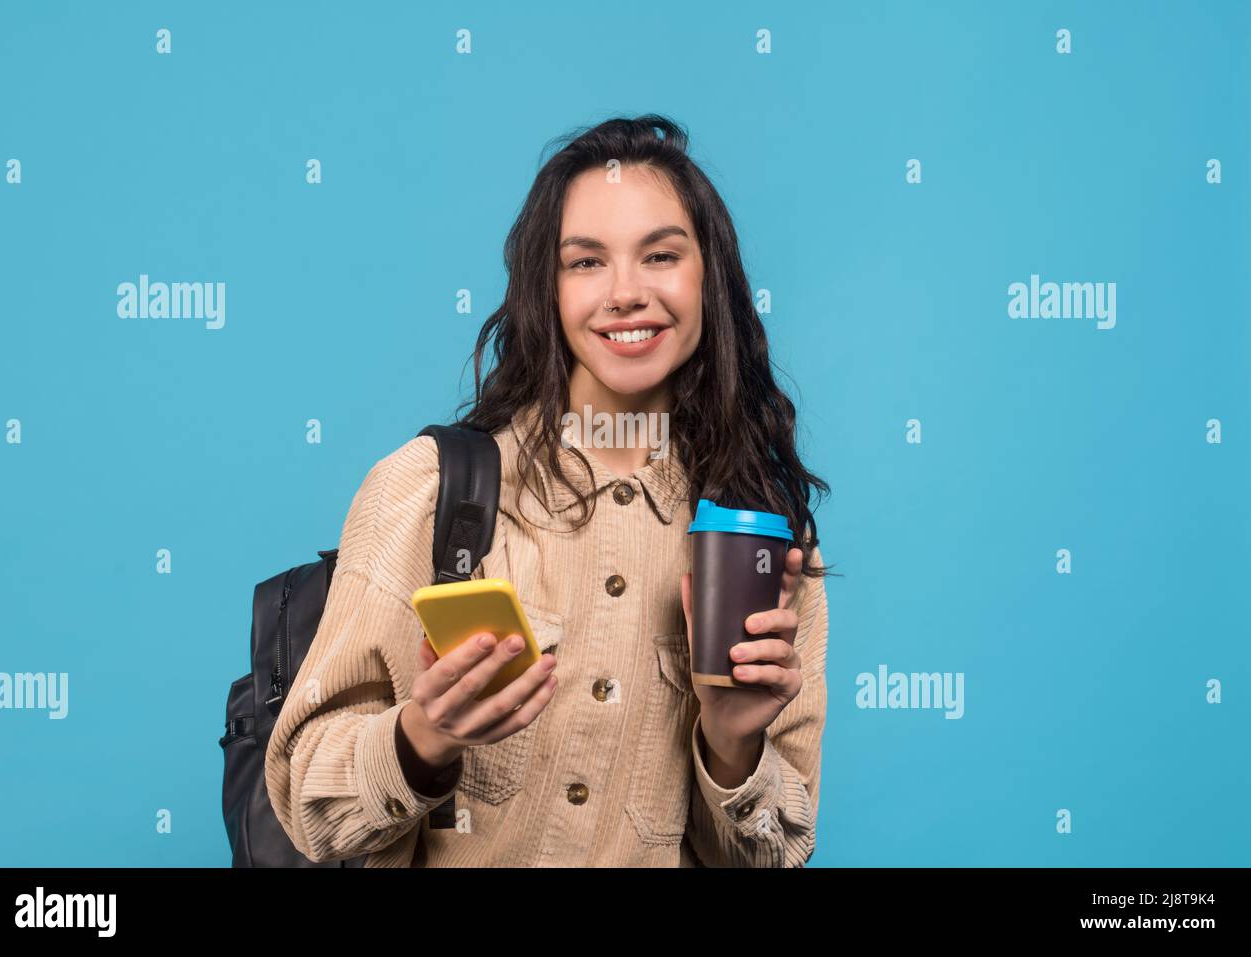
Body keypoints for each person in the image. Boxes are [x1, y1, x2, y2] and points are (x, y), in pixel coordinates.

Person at [264, 114, 833, 867]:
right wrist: (424, 738)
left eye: (660, 254)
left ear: (710, 277)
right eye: (587, 262)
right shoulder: (430, 491)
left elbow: (770, 854)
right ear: (547, 288)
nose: (626, 293)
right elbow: (310, 807)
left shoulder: (763, 542)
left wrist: (732, 743)